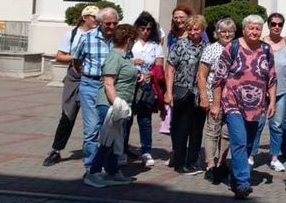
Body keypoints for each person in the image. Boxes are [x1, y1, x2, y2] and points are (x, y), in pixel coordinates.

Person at [212, 14, 276, 200]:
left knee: (249, 145)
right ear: (244, 29)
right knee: (238, 141)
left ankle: (235, 176)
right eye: (251, 28)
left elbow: (271, 78)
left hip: (257, 106)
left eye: (258, 28)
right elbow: (218, 79)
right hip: (233, 103)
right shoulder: (232, 48)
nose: (255, 31)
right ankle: (242, 183)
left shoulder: (266, 49)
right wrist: (216, 104)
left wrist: (272, 101)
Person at [43, 6, 99, 167]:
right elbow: (59, 55)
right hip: (74, 78)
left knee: (94, 118)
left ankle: (92, 151)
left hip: (93, 78)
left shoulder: (99, 35)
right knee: (68, 114)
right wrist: (75, 57)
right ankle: (56, 150)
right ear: (85, 18)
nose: (96, 20)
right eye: (93, 17)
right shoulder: (73, 34)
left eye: (97, 17)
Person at [84, 23, 139, 187]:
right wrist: (117, 103)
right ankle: (93, 172)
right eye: (133, 40)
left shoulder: (125, 56)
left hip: (121, 105)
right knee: (108, 139)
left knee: (117, 140)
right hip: (110, 105)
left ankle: (112, 171)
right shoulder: (114, 56)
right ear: (129, 39)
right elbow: (108, 83)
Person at [72, 7, 119, 172]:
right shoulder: (87, 38)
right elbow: (76, 61)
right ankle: (91, 167)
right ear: (99, 23)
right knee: (91, 129)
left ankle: (109, 166)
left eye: (115, 23)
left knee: (109, 128)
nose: (111, 27)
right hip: (91, 85)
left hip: (111, 87)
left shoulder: (119, 40)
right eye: (108, 23)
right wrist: (87, 75)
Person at [165, 13, 207, 174]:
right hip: (182, 90)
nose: (192, 32)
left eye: (196, 29)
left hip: (200, 93)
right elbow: (170, 69)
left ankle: (193, 161)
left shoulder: (206, 47)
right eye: (189, 29)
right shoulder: (180, 45)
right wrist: (168, 92)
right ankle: (180, 162)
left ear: (202, 29)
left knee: (197, 128)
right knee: (181, 128)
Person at [197, 17, 235, 183]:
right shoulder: (211, 49)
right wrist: (204, 96)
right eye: (223, 31)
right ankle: (210, 164)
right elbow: (202, 75)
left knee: (227, 133)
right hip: (214, 97)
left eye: (230, 31)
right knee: (213, 131)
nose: (227, 34)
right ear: (217, 33)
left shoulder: (237, 48)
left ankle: (222, 162)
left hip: (232, 98)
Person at [124, 11, 164, 167]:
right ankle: (122, 149)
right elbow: (123, 59)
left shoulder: (155, 45)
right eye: (142, 29)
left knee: (145, 120)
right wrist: (133, 62)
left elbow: (159, 65)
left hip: (147, 85)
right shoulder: (131, 43)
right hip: (130, 83)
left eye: (149, 29)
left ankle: (146, 150)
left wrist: (151, 73)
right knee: (126, 118)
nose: (145, 32)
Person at [265, 12, 286, 172]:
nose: (276, 27)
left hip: (282, 89)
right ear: (268, 25)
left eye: (279, 24)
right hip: (260, 91)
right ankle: (251, 155)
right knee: (257, 124)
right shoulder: (261, 43)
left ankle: (275, 157)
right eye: (273, 24)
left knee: (277, 124)